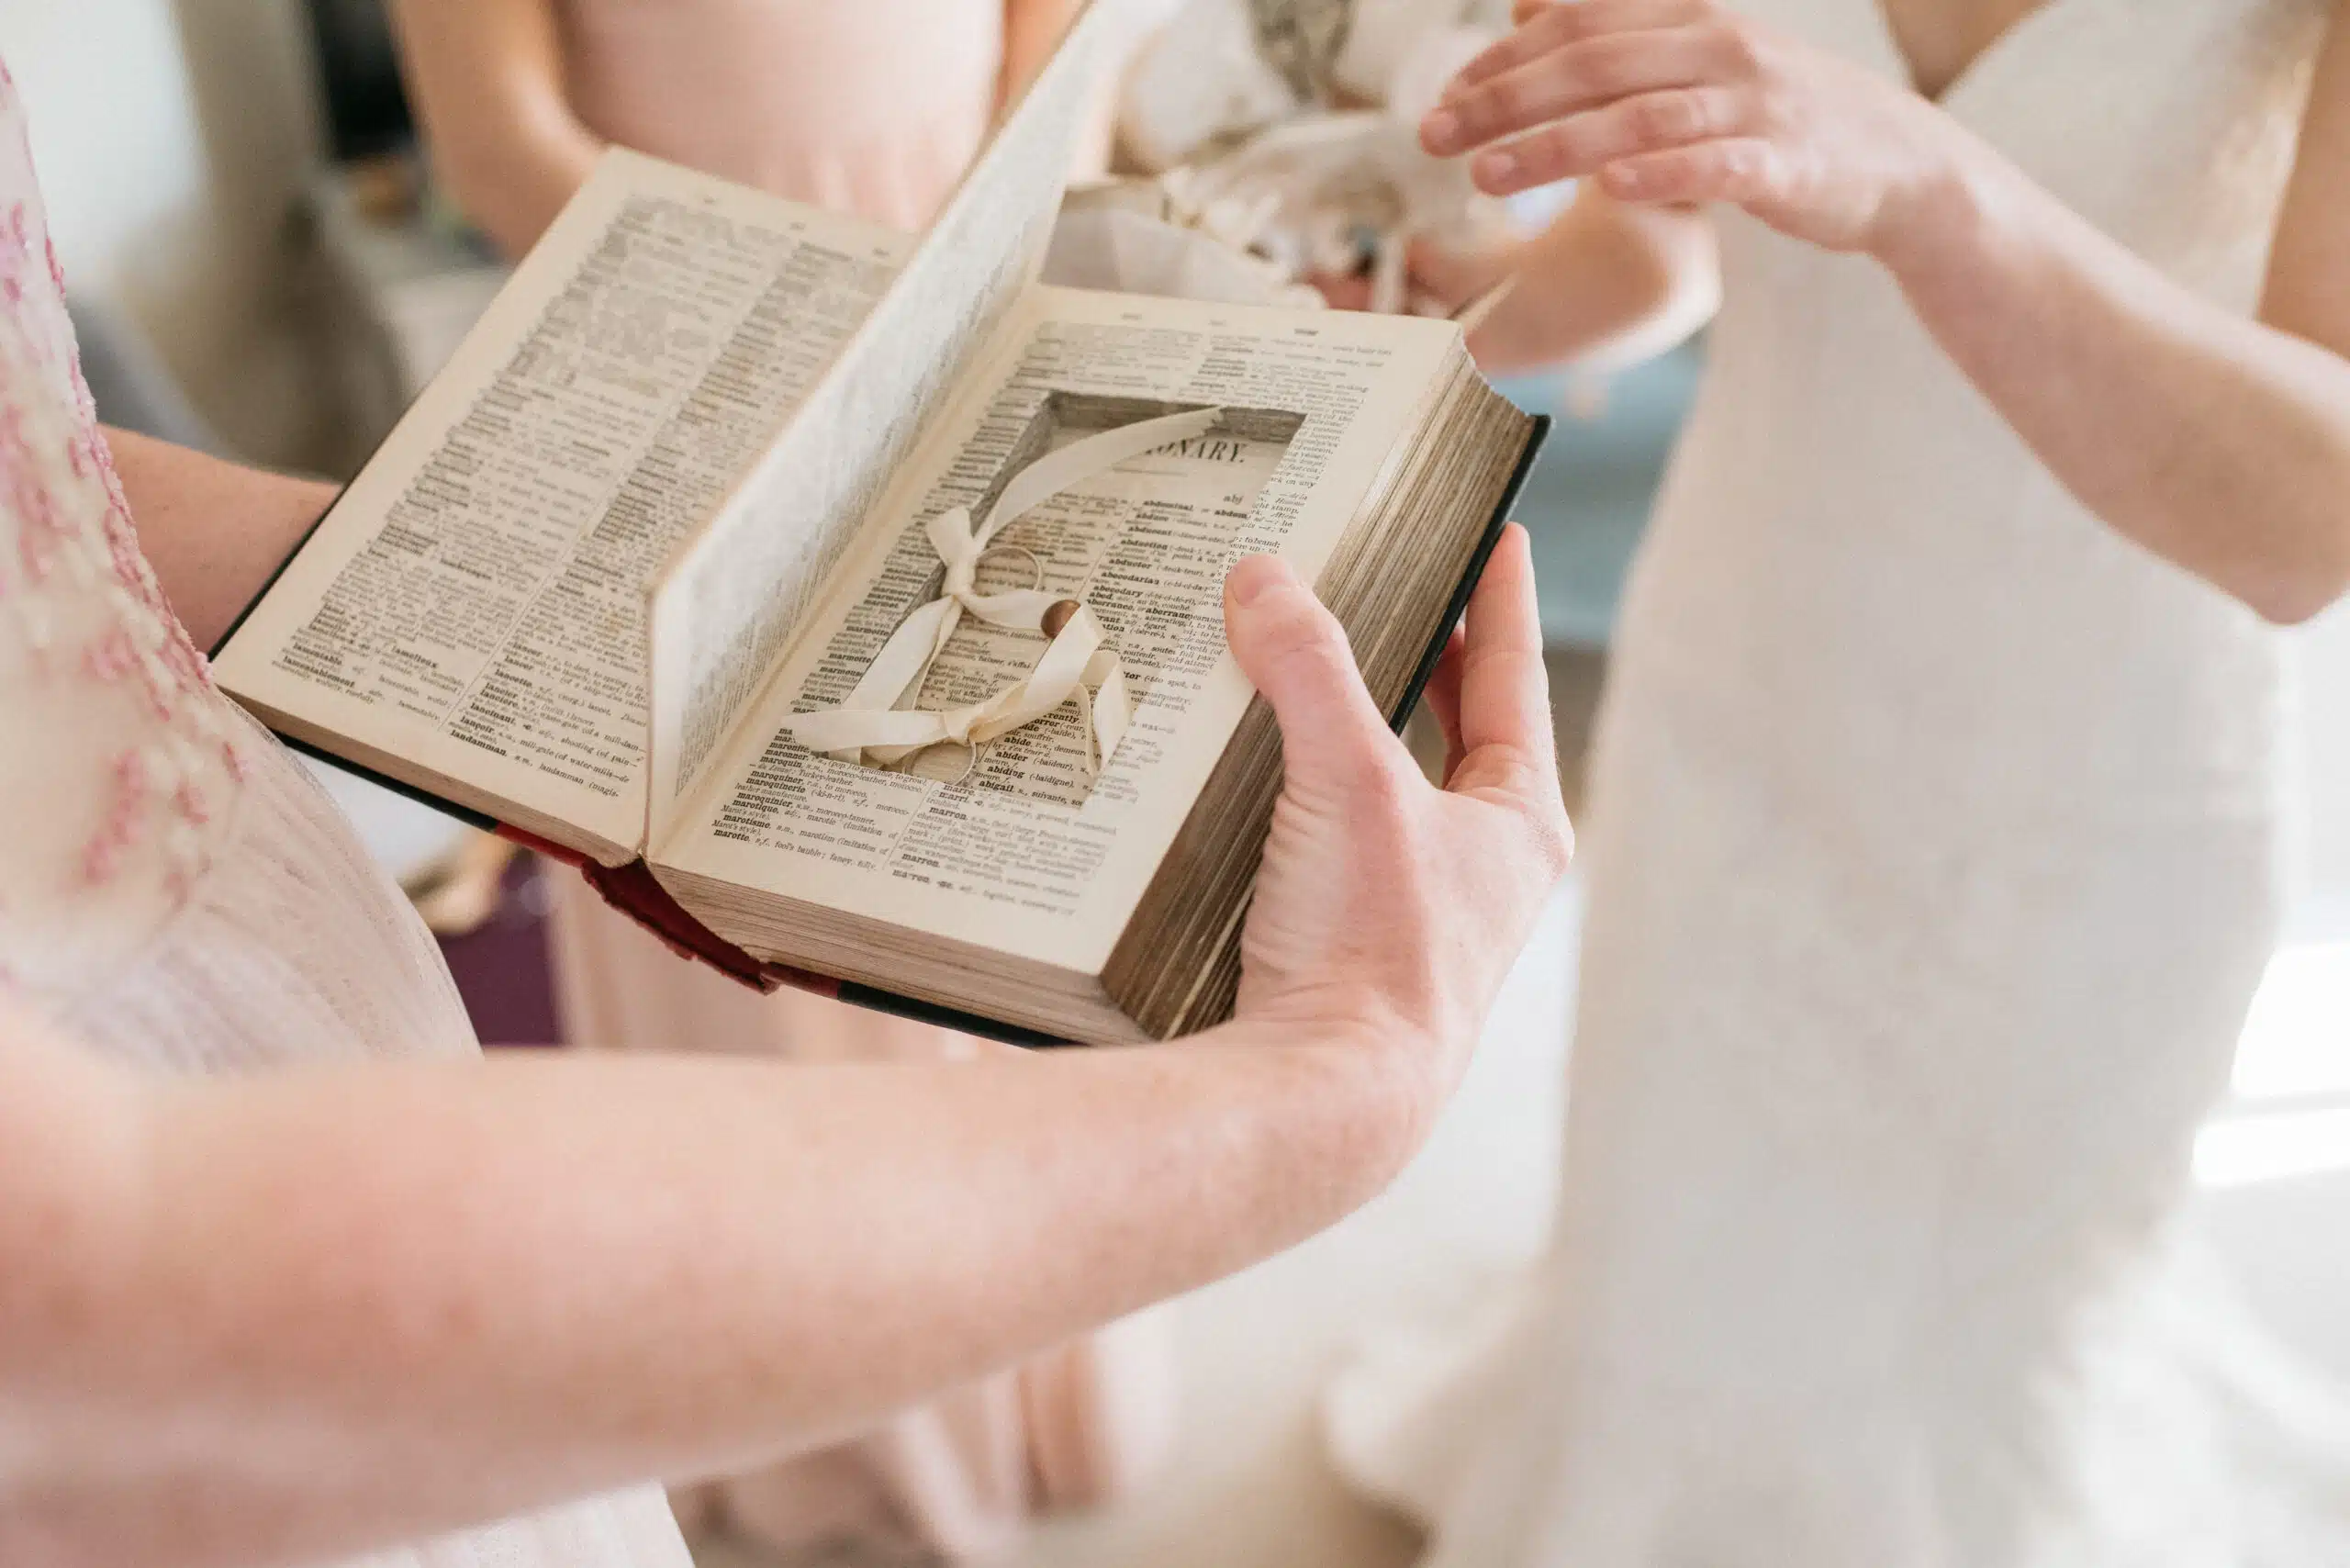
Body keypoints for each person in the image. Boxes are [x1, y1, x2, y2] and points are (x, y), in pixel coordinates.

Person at [0, 53, 1572, 1568]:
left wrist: (493, 632)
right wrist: (1332, 1086)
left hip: (266, 986)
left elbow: (33, 485)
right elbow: (98, 1342)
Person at [1320, 0, 2350, 1562]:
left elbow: (2308, 523)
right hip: (1748, 663)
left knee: (1988, 1295)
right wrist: (1443, 305)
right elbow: (1666, 241)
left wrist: (1931, 185)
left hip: (2107, 732)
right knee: (1680, 1218)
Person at [381, 2, 1149, 1555]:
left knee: (988, 876)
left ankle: (1020, 1370)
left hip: (975, 328)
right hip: (680, 357)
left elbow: (1056, 53)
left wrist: (995, 269)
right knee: (749, 941)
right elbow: (500, 147)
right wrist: (808, 331)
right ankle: (821, 1418)